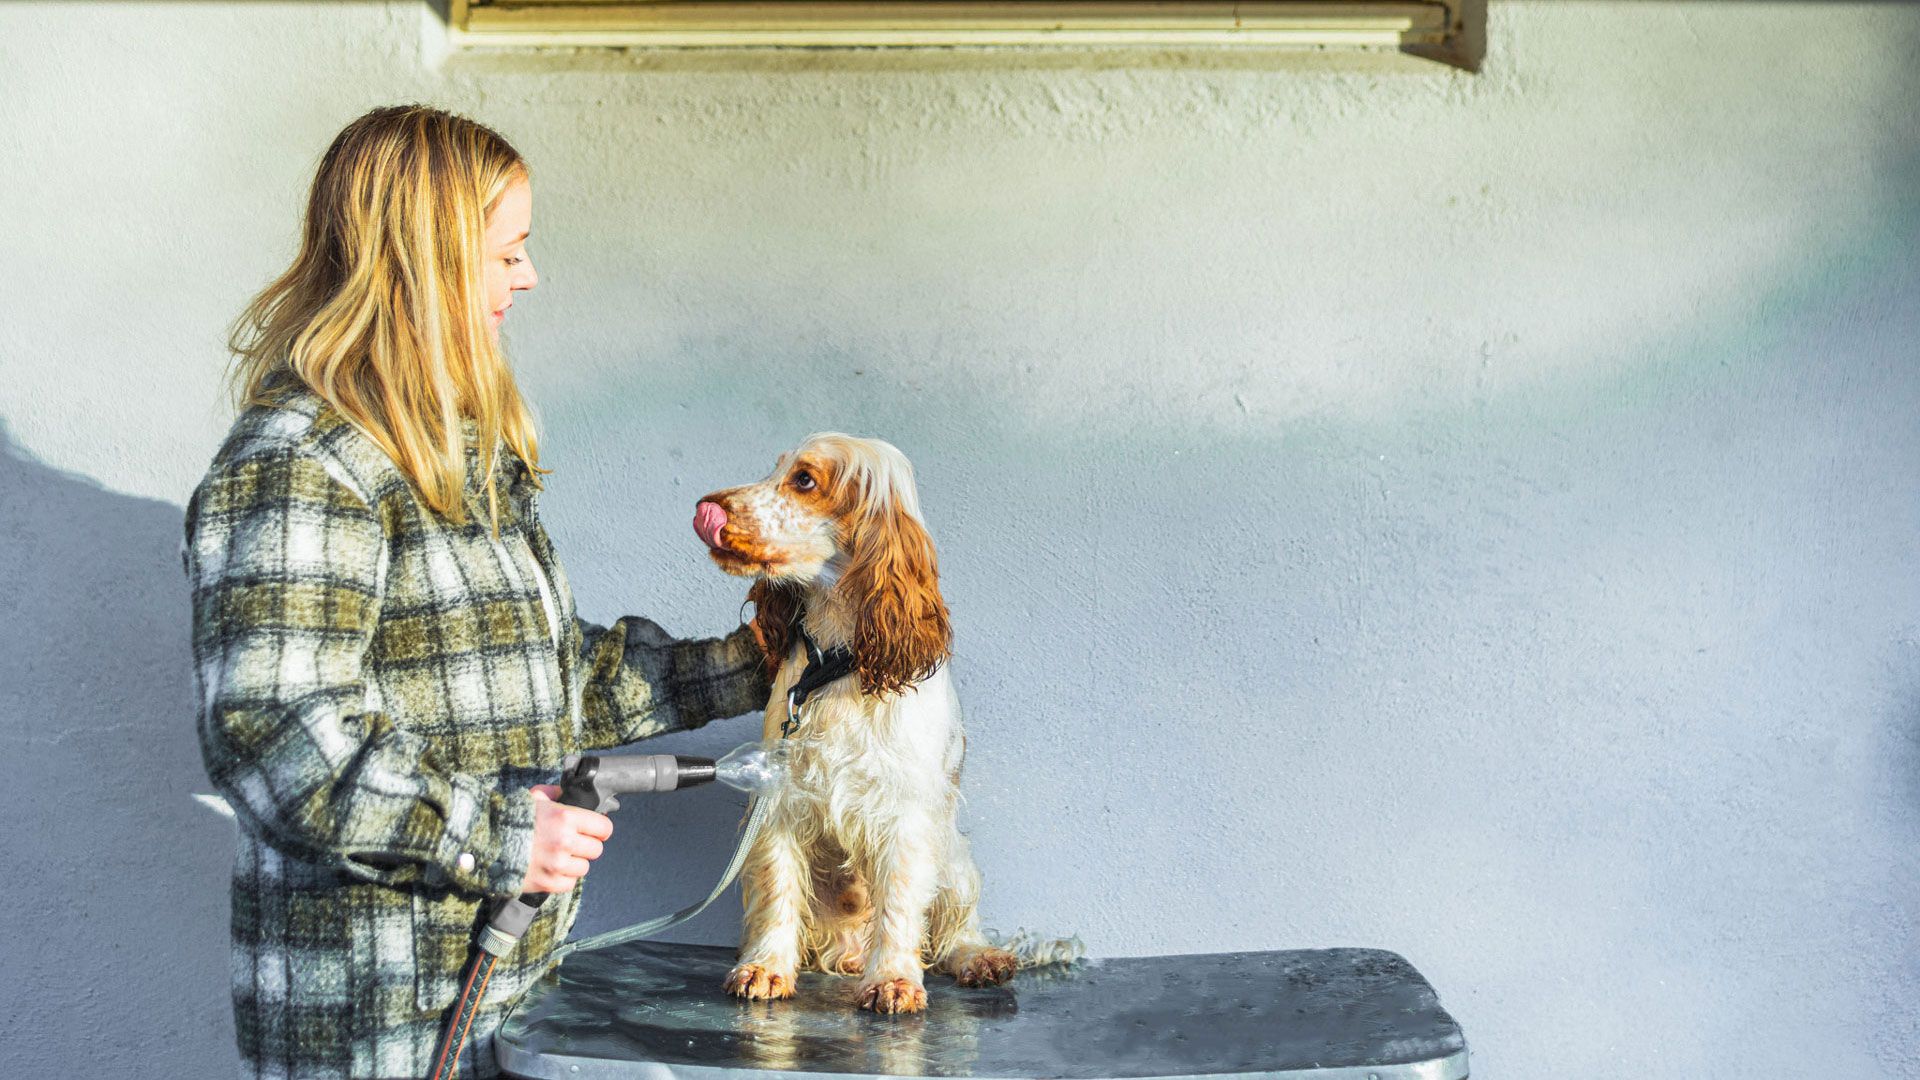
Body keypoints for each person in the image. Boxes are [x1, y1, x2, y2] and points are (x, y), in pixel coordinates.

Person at [184, 104, 770, 1079]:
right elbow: (276, 737)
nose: (528, 278)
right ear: (424, 259)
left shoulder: (460, 456)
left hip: (499, 1002)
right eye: (508, 255)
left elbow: (551, 677)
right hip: (376, 1024)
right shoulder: (302, 466)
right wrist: (501, 838)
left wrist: (758, 665)